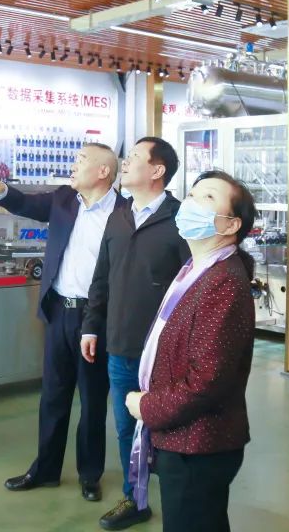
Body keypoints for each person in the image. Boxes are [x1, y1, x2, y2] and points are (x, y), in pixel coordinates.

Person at [0, 142, 125, 503]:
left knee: (92, 400)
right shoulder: (63, 199)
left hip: (97, 317)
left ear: (103, 171)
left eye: (81, 160)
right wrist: (1, 190)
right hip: (59, 311)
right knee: (53, 396)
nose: (73, 165)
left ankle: (90, 475)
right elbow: (28, 204)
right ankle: (45, 469)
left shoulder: (124, 213)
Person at [126, 170, 257, 532]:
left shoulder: (223, 282)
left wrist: (148, 407)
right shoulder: (196, 268)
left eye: (208, 198)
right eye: (192, 195)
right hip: (183, 435)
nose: (192, 203)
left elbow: (207, 380)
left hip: (198, 442)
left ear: (231, 224)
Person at [81, 137, 190, 530]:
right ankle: (136, 498)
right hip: (121, 345)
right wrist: (91, 326)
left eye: (133, 158)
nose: (124, 163)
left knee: (171, 430)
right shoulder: (120, 215)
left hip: (166, 352)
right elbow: (102, 277)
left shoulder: (182, 219)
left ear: (157, 170)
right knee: (127, 428)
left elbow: (193, 287)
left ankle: (181, 505)